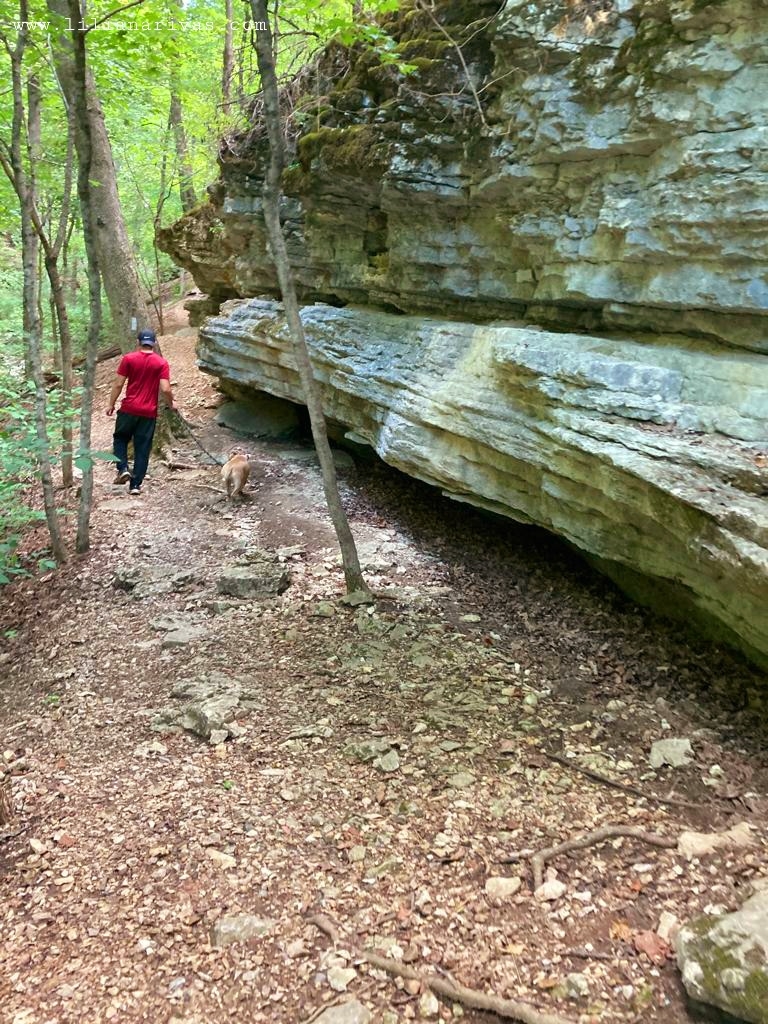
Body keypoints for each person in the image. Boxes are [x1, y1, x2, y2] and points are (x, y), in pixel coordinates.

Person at [107, 328, 176, 495]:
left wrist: (111, 404)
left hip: (128, 409)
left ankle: (123, 468)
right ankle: (135, 485)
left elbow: (118, 384)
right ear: (154, 343)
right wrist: (172, 403)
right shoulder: (161, 363)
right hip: (148, 413)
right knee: (143, 448)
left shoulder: (129, 359)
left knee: (120, 438)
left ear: (138, 342)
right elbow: (166, 388)